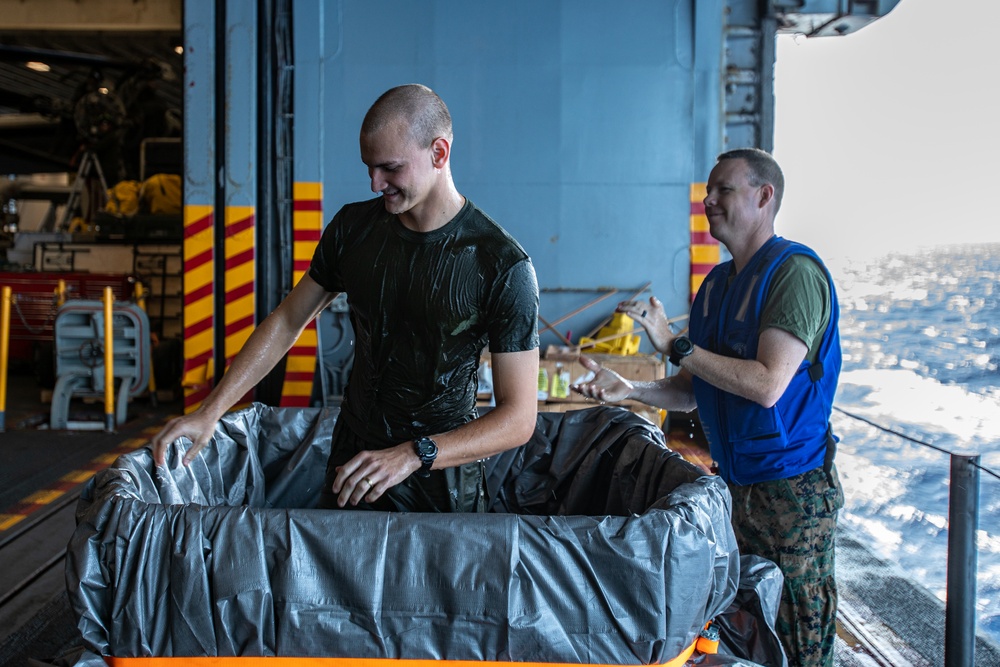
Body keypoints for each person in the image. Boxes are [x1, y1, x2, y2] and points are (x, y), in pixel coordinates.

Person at [152, 84, 540, 513]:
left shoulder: (501, 264)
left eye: (389, 169)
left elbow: (519, 418)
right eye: (369, 168)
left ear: (439, 153)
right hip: (353, 466)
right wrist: (211, 411)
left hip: (440, 486)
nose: (376, 184)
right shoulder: (354, 229)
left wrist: (414, 454)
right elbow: (287, 321)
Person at [572, 148, 843, 667]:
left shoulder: (794, 274)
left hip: (792, 494)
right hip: (732, 488)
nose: (709, 200)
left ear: (764, 197)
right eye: (708, 190)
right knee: (745, 631)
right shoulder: (716, 286)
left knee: (799, 635)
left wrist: (675, 343)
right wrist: (627, 387)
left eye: (724, 190)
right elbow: (692, 389)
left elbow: (768, 385)